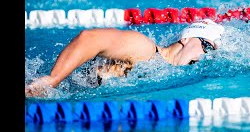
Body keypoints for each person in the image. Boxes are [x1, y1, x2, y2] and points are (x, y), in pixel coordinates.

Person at [25, 18, 225, 97]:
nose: (205, 56)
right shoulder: (145, 49)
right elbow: (90, 38)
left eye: (212, 54)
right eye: (206, 46)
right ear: (186, 38)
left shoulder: (164, 72)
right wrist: (53, 80)